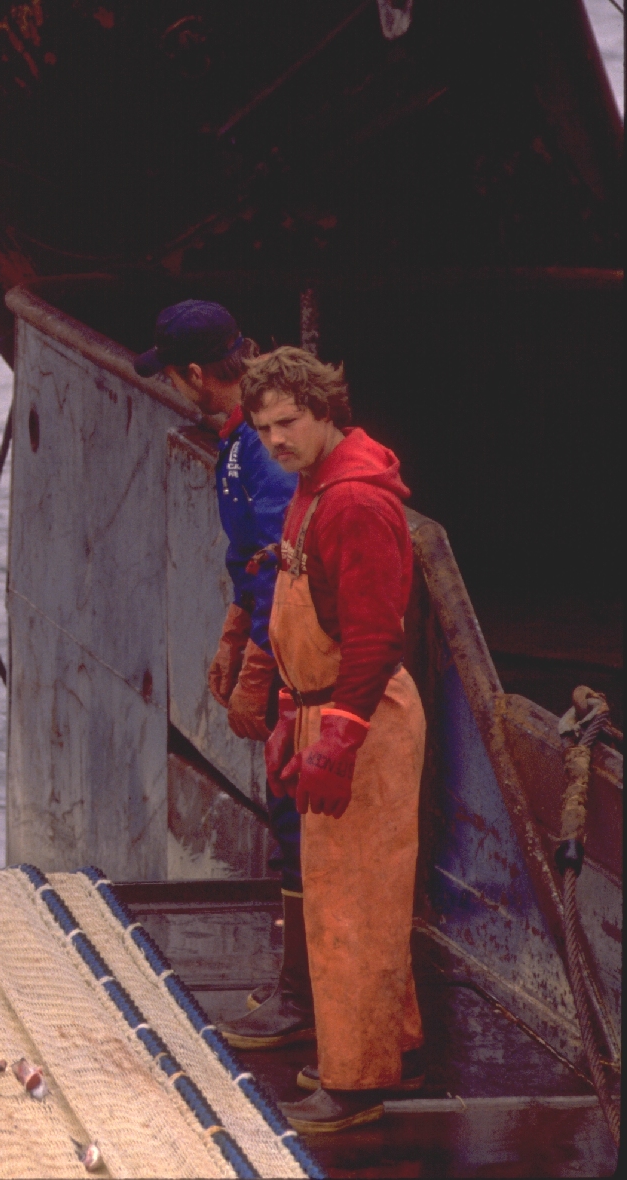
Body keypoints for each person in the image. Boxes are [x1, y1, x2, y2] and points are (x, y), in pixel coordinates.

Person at [240, 346, 427, 1133]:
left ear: (325, 411)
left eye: (288, 422)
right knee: (353, 898)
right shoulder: (313, 487)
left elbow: (376, 635)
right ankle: (395, 1048)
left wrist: (337, 740)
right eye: (261, 428)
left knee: (351, 907)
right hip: (324, 706)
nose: (274, 439)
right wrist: (289, 711)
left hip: (362, 718)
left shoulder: (351, 503)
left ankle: (353, 1085)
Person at [134, 301, 310, 1048]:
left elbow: (280, 557)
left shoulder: (258, 450)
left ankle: (302, 1000)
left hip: (303, 671)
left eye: (176, 376)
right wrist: (233, 627)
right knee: (288, 817)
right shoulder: (243, 439)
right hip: (282, 647)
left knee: (295, 823)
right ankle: (302, 991)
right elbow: (253, 566)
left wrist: (257, 672)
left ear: (199, 375)